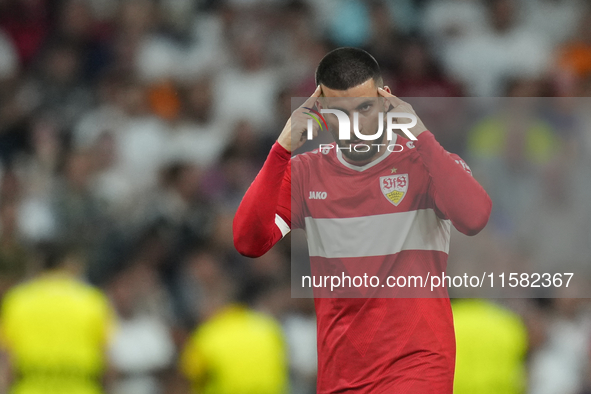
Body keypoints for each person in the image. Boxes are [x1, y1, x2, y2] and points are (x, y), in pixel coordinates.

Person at [233, 47, 491, 393]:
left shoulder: (426, 163)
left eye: (365, 108)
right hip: (342, 375)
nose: (355, 125)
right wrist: (282, 147)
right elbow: (248, 242)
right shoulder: (306, 174)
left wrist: (422, 135)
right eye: (340, 112)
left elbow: (474, 217)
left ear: (386, 101)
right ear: (320, 111)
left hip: (418, 368)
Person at [0, 245, 115, 394]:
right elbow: (107, 361)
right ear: (69, 263)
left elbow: (6, 361)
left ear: (37, 264)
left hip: (30, 387)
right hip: (81, 387)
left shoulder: (17, 300)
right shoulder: (93, 300)